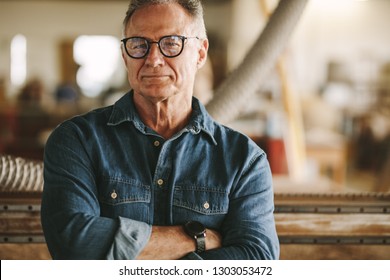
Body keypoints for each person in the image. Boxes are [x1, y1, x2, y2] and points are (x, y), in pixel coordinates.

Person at [41, 0, 279, 260]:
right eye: (138, 45)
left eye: (171, 43)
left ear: (200, 52)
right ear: (125, 56)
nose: (153, 59)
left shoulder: (244, 160)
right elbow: (73, 244)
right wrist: (198, 240)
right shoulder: (77, 141)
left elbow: (257, 259)